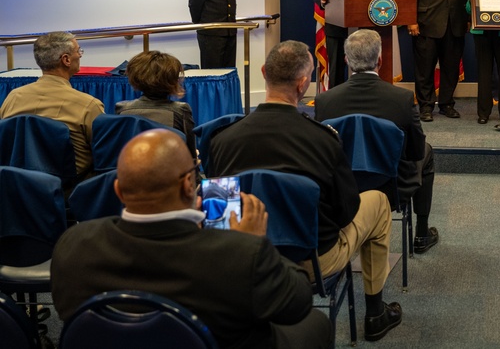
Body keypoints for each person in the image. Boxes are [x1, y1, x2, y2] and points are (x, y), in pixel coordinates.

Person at [51, 129, 333, 349]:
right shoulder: (239, 255)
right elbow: (296, 303)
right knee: (316, 323)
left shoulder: (73, 243)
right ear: (189, 185)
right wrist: (254, 242)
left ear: (118, 190)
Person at [209, 41, 402, 342]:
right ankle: (375, 313)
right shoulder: (324, 139)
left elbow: (216, 215)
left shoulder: (221, 142)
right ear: (303, 84)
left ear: (263, 72)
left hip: (243, 261)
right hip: (312, 262)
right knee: (377, 201)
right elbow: (345, 212)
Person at [315, 29, 440, 254]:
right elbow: (414, 150)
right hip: (391, 190)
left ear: (346, 61)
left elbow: (321, 156)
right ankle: (421, 233)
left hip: (343, 189)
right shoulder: (401, 99)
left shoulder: (325, 101)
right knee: (426, 151)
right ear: (380, 60)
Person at [0, 31, 104, 179]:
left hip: (17, 190)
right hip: (70, 192)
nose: (80, 55)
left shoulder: (13, 97)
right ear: (66, 59)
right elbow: (104, 155)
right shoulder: (88, 105)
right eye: (78, 51)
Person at [403, 0, 475, 122]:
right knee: (424, 69)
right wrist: (411, 21)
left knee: (451, 69)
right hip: (426, 25)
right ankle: (425, 106)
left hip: (456, 25)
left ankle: (446, 104)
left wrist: (470, 19)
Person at [115, 50, 196, 157]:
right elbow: (190, 155)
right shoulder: (181, 110)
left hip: (131, 168)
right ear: (173, 80)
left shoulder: (122, 108)